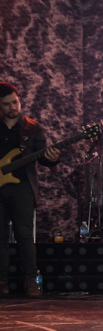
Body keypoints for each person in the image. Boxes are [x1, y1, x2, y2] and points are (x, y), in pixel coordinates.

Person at [0, 82, 60, 297]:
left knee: (25, 235)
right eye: (7, 104)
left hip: (22, 187)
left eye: (15, 102)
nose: (13, 107)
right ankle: (2, 281)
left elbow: (43, 158)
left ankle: (30, 281)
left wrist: (52, 158)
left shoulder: (33, 129)